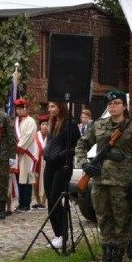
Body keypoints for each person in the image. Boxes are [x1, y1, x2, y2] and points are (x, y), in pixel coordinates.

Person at [76, 90, 132, 262]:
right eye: (110, 104)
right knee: (103, 219)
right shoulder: (99, 125)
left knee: (120, 221)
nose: (112, 106)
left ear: (124, 106)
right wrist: (85, 164)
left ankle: (117, 259)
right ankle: (106, 257)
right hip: (99, 181)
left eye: (116, 103)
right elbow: (81, 144)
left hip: (121, 183)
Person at [43, 100, 81, 249]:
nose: (50, 109)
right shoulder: (52, 123)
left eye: (53, 106)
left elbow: (76, 146)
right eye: (49, 106)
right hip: (50, 165)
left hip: (62, 165)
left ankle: (64, 234)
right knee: (50, 200)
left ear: (60, 107)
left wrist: (60, 154)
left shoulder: (70, 124)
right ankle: (57, 233)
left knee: (56, 197)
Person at [12, 98, 38, 212]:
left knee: (26, 178)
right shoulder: (17, 121)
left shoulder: (30, 121)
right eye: (17, 109)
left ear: (26, 109)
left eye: (21, 109)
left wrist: (19, 147)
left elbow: (28, 136)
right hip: (19, 153)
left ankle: (26, 204)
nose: (19, 111)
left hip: (27, 152)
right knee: (19, 178)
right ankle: (21, 202)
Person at [32, 114, 49, 209]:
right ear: (40, 126)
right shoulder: (36, 136)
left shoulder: (51, 136)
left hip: (47, 162)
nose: (45, 126)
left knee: (46, 181)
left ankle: (43, 201)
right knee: (35, 182)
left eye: (46, 124)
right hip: (36, 161)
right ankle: (38, 201)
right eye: (43, 124)